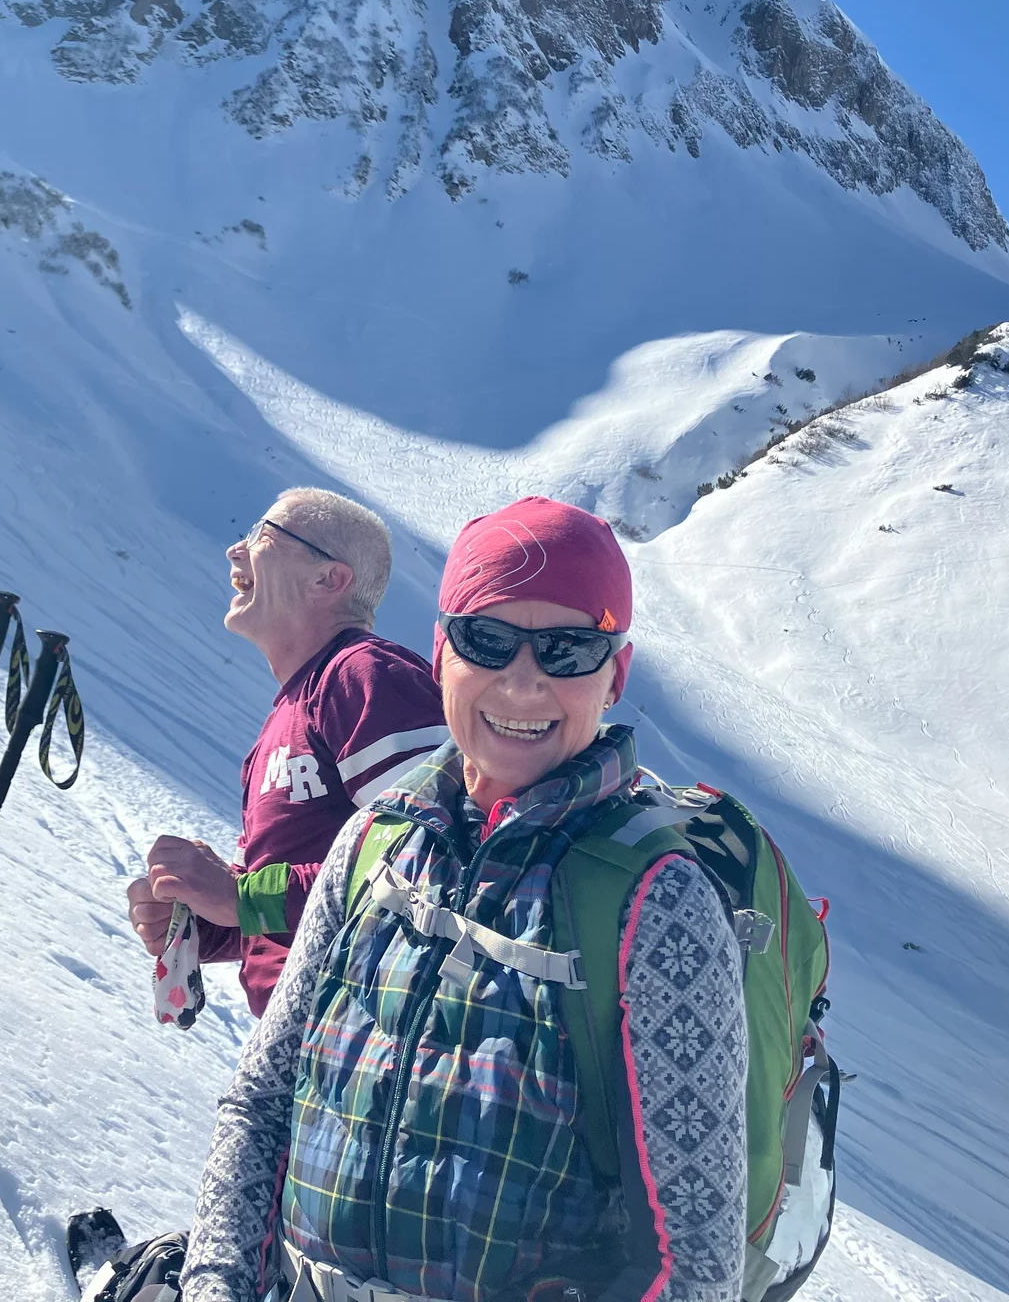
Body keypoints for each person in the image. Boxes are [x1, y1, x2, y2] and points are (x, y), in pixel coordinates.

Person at [179, 496, 751, 1302]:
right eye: (488, 640)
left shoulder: (654, 904)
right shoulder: (377, 840)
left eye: (568, 649)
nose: (523, 684)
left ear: (615, 675)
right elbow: (265, 1102)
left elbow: (691, 1260)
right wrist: (215, 1283)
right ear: (442, 652)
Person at [127, 488, 446, 1017]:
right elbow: (286, 904)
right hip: (305, 1037)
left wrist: (242, 898)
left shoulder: (366, 675)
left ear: (329, 579)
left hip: (369, 1033)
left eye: (262, 536)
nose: (235, 550)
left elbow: (428, 859)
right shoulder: (287, 716)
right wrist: (205, 922)